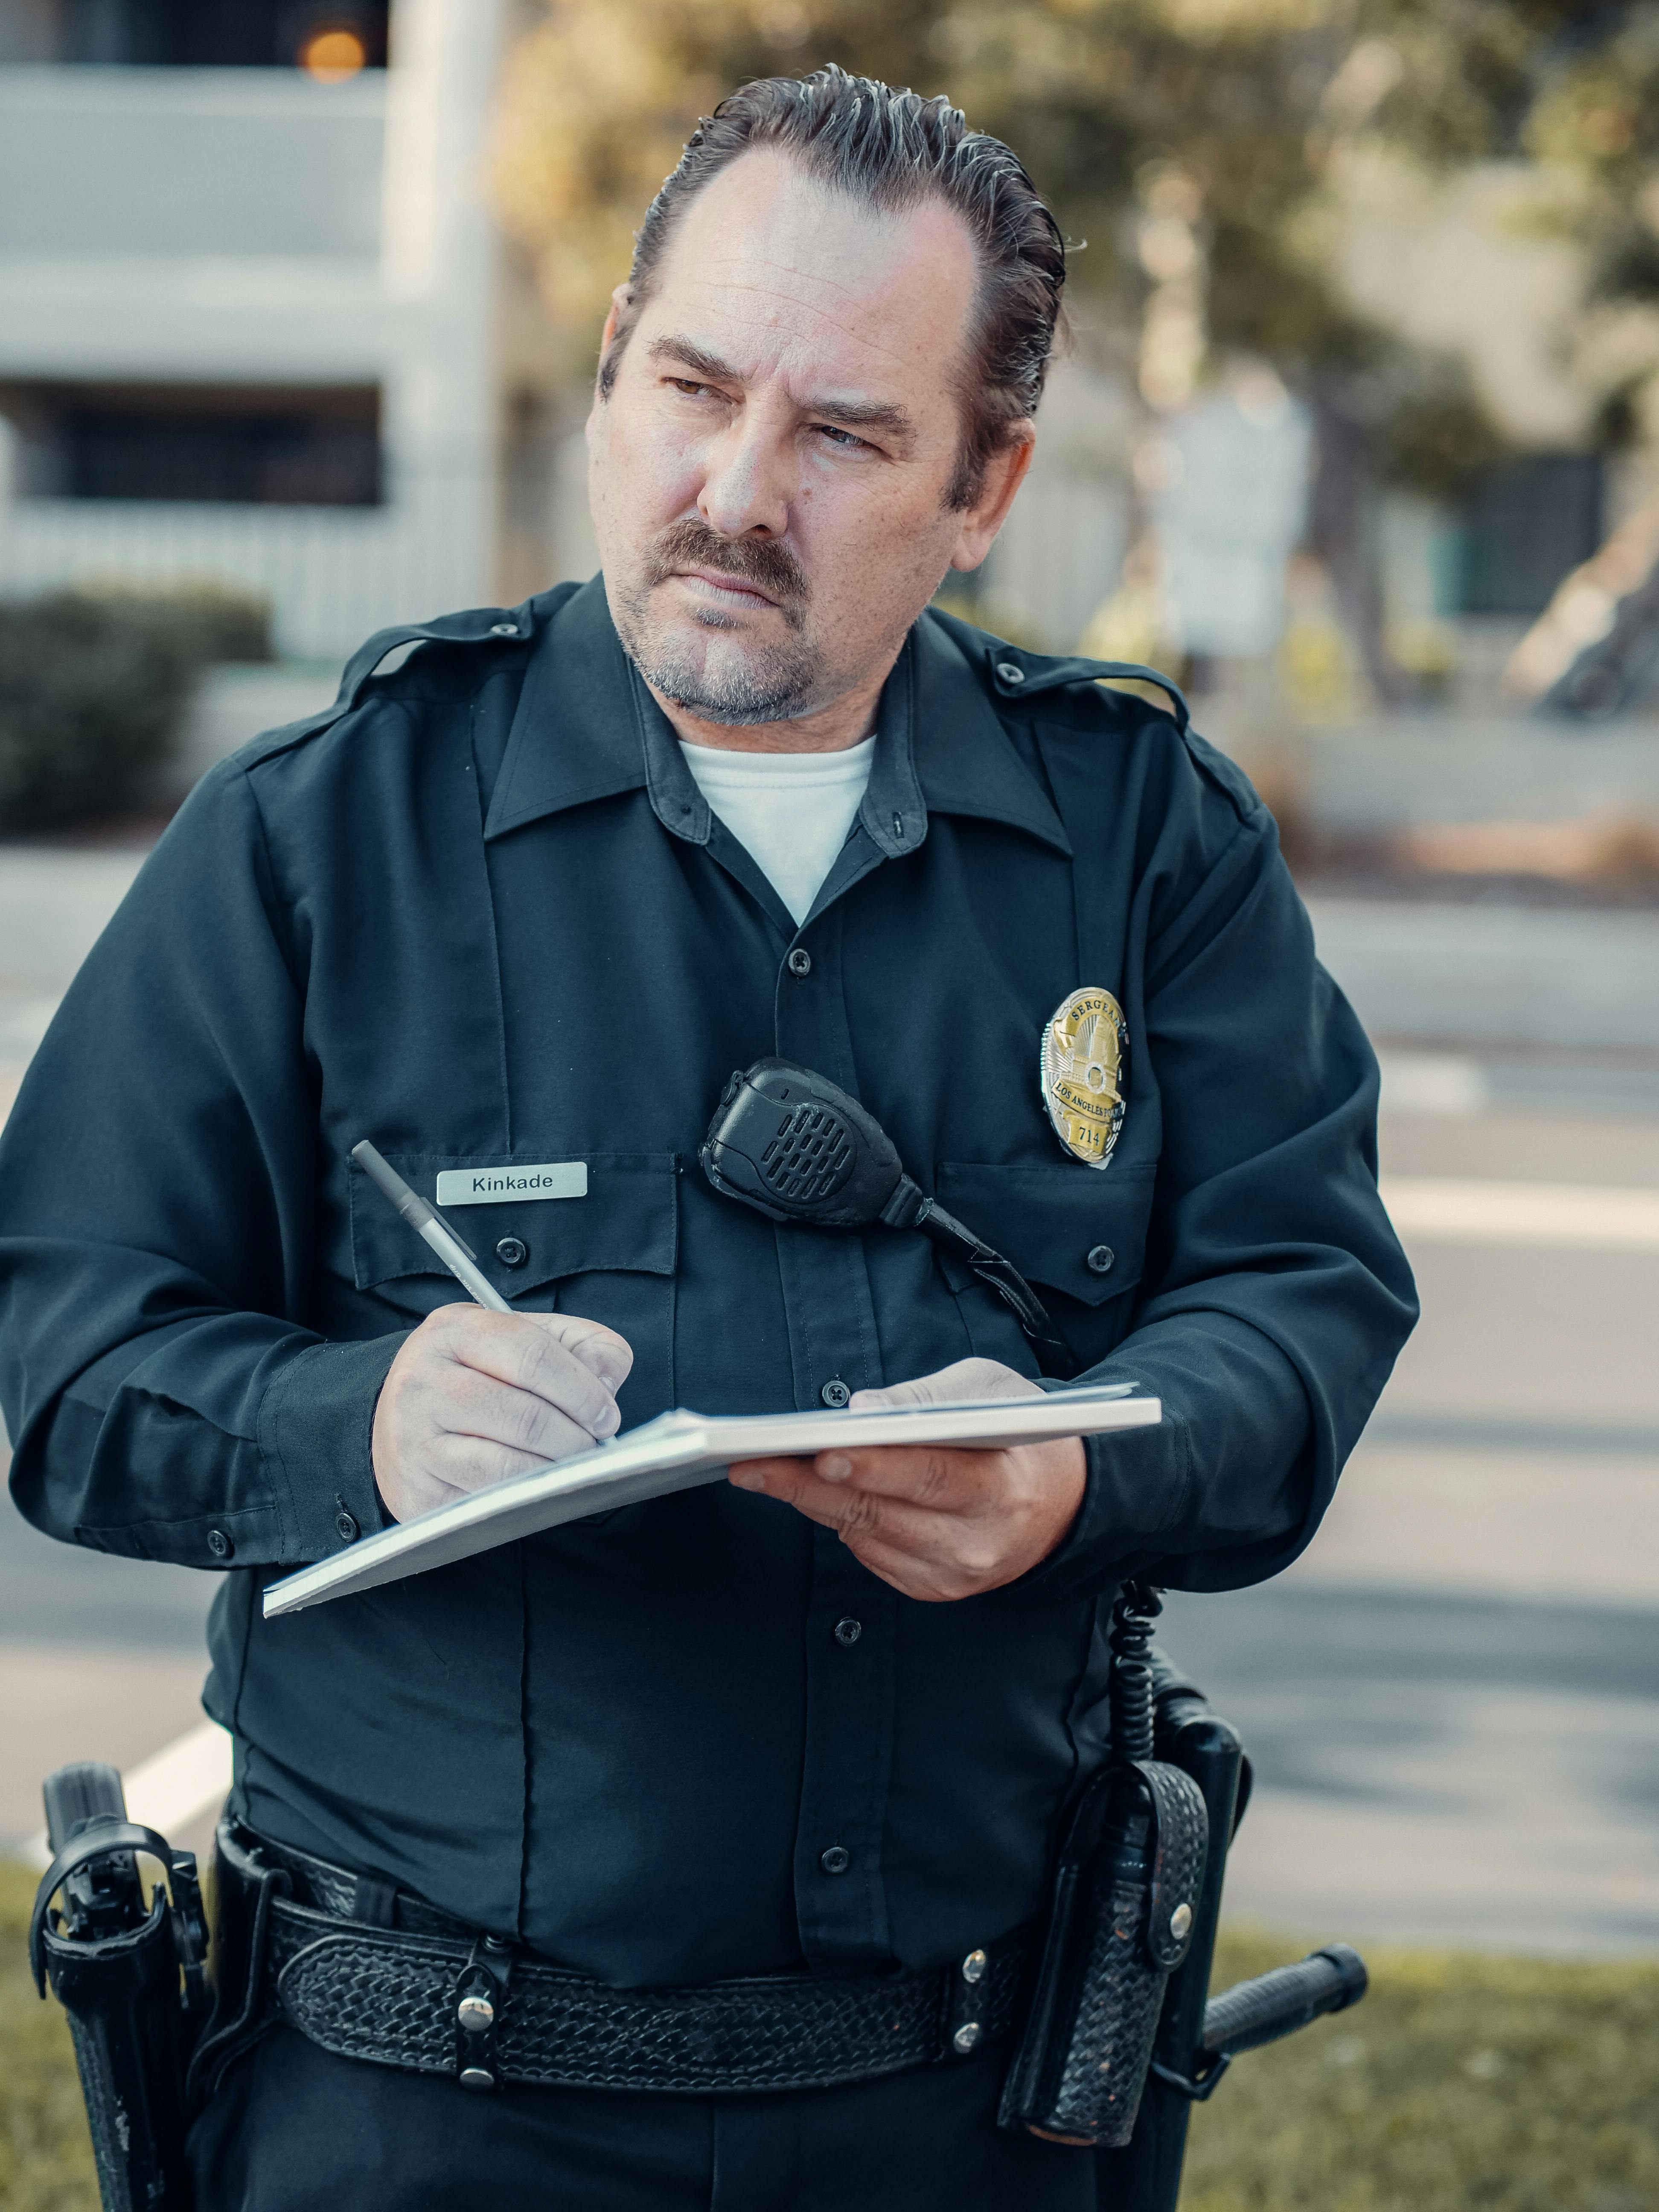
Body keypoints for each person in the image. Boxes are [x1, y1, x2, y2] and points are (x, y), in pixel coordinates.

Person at [0, 66, 1415, 2212]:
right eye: (692, 386)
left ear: (986, 481)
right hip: (422, 2118)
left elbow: (1299, 1297)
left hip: (975, 2112)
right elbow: (64, 1351)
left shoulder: (1144, 841)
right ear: (605, 381)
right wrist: (348, 1422)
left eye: (845, 431)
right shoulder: (317, 840)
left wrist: (1075, 1470)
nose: (736, 487)